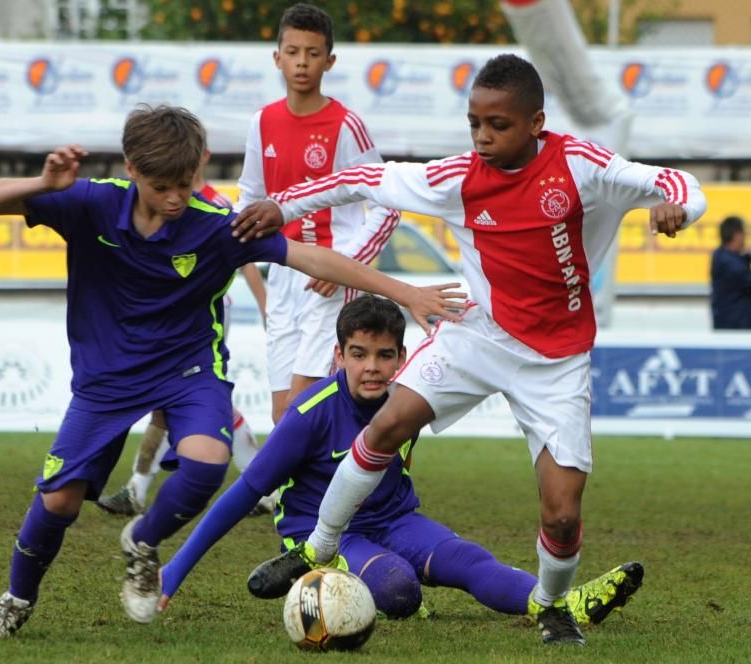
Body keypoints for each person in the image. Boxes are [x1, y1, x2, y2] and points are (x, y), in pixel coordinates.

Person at [235, 54, 706, 645]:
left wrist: (680, 208)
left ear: (535, 122)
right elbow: (362, 179)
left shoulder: (579, 165)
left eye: (497, 125)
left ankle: (554, 605)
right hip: (477, 334)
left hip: (557, 361)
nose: (482, 137)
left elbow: (673, 181)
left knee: (562, 513)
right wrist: (283, 206)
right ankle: (317, 547)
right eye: (474, 123)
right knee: (386, 425)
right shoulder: (457, 178)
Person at [0, 104, 464, 638]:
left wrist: (406, 290)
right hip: (104, 379)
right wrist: (44, 182)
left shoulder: (215, 228)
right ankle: (16, 598)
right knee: (59, 501)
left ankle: (143, 541)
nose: (178, 197)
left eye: (186, 183)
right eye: (163, 186)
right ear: (132, 170)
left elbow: (312, 258)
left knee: (208, 461)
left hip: (187, 370)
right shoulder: (92, 201)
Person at [155, 295, 644, 628]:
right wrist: (175, 569)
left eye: (384, 355)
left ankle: (561, 604)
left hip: (395, 520)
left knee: (471, 561)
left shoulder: (410, 399)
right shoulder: (309, 416)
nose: (372, 367)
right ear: (339, 355)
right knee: (398, 590)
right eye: (358, 353)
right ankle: (327, 580)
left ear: (402, 356)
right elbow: (242, 495)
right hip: (326, 534)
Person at [236, 3, 401, 424]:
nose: (302, 62)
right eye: (292, 52)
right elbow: (250, 196)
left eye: (312, 53)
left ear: (329, 60)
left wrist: (345, 265)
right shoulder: (262, 121)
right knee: (281, 415)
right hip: (284, 275)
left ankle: (355, 480)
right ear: (277, 58)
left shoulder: (346, 125)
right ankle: (321, 485)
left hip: (331, 278)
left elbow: (388, 203)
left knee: (302, 408)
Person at [97, 150, 271, 518]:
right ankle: (259, 487)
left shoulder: (216, 205)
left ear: (202, 157)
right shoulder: (157, 204)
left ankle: (138, 490)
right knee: (174, 401)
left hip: (204, 315)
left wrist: (263, 303)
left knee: (180, 395)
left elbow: (247, 259)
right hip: (166, 316)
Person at [710, 216, 751, 329]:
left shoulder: (722, 256)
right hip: (734, 328)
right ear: (736, 235)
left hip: (732, 324)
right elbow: (744, 277)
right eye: (743, 234)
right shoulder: (729, 263)